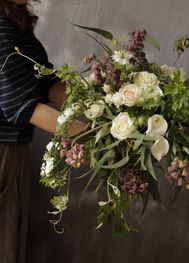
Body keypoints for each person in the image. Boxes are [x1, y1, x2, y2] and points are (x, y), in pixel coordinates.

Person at [0, 1, 85, 262]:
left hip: (12, 152)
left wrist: (100, 104)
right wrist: (94, 134)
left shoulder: (14, 19)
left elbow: (45, 82)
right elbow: (21, 106)